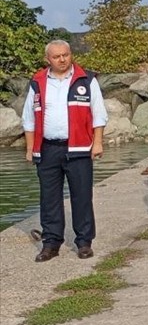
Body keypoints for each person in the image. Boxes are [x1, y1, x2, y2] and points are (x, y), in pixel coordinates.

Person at [22, 40, 108, 262]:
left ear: (71, 55)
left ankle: (84, 242)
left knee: (82, 196)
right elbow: (29, 118)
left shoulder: (86, 80)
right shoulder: (38, 82)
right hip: (48, 147)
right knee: (49, 198)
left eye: (66, 55)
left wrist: (97, 142)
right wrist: (30, 148)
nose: (62, 59)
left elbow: (98, 113)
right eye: (57, 56)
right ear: (47, 59)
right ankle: (51, 243)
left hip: (79, 147)